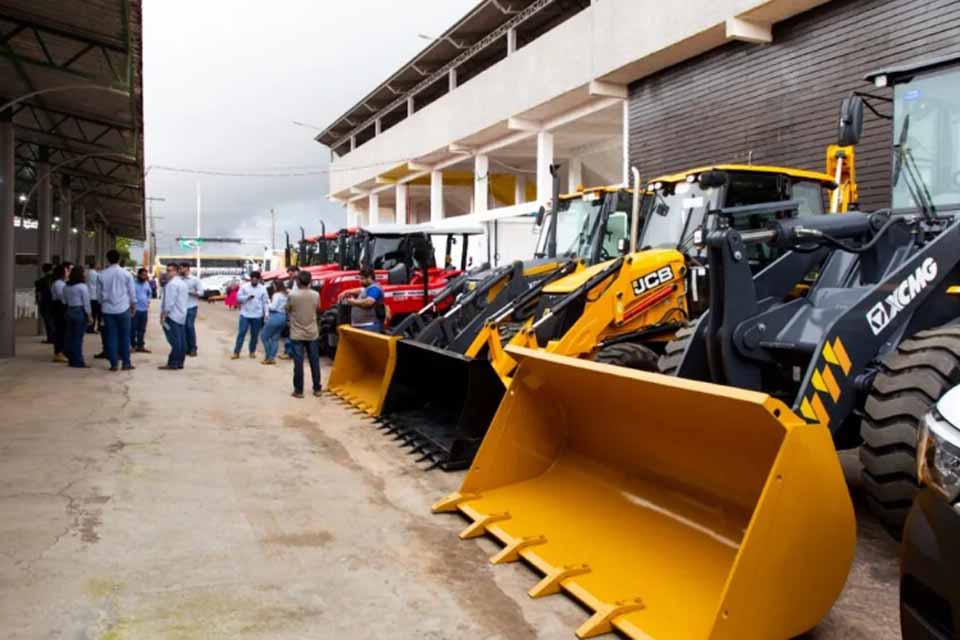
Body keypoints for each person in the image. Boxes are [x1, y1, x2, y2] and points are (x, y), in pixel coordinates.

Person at [97, 249, 137, 372]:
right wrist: (133, 306)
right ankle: (126, 363)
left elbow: (98, 296)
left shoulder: (101, 275)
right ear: (119, 259)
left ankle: (114, 364)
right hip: (123, 309)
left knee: (111, 337)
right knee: (125, 337)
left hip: (108, 310)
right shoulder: (126, 274)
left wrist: (102, 305)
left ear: (107, 259)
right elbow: (132, 292)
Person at [286, 270, 321, 398]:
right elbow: (318, 308)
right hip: (312, 333)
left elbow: (288, 309)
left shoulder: (293, 295)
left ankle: (298, 391)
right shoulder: (316, 295)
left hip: (297, 334)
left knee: (298, 363)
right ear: (310, 281)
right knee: (314, 362)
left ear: (297, 281)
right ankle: (317, 389)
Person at [232, 271, 269, 359]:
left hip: (257, 315)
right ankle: (236, 352)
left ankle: (252, 351)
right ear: (250, 279)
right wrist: (247, 297)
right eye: (253, 279)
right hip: (245, 314)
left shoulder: (263, 288)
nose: (254, 281)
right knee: (241, 333)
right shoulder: (244, 287)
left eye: (256, 280)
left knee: (255, 335)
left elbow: (265, 302)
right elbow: (238, 298)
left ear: (259, 280)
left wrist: (266, 313)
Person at [62, 265, 92, 368]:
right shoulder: (82, 287)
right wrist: (89, 316)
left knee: (69, 336)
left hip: (69, 311)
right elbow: (86, 303)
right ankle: (78, 361)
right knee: (78, 338)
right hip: (79, 311)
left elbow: (64, 301)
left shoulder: (66, 286)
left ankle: (71, 358)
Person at [159, 263, 188, 370]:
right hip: (181, 315)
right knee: (181, 340)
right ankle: (180, 362)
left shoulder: (172, 285)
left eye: (170, 270)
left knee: (175, 340)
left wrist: (163, 315)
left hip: (172, 316)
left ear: (176, 271)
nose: (167, 272)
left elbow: (169, 303)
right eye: (167, 270)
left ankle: (173, 362)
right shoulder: (182, 284)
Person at [339, 267, 385, 333]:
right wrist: (346, 292)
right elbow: (359, 290)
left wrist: (352, 302)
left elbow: (369, 302)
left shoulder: (374, 289)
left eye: (362, 278)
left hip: (369, 326)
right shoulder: (367, 288)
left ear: (369, 277)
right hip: (363, 326)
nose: (360, 281)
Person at [260, 279, 287, 365]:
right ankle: (272, 357)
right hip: (283, 316)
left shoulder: (276, 295)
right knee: (275, 338)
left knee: (264, 336)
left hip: (275, 316)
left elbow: (273, 307)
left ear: (276, 286)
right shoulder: (285, 295)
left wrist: (268, 302)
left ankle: (268, 357)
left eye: (273, 285)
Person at [180, 262, 202, 357]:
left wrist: (190, 292)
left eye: (181, 268)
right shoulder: (179, 280)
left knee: (189, 326)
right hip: (181, 307)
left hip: (191, 306)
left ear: (187, 268)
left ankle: (193, 348)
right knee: (183, 328)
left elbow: (201, 293)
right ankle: (186, 348)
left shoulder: (195, 280)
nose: (180, 270)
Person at [279, 265, 300, 360]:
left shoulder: (299, 282)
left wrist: (288, 291)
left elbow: (297, 294)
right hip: (295, 309)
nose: (290, 276)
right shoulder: (296, 281)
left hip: (295, 310)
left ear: (296, 271)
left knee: (292, 331)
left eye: (291, 273)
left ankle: (289, 352)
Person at [49, 263, 69, 363]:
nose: (68, 273)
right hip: (59, 308)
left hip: (60, 308)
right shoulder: (59, 284)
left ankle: (61, 351)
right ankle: (58, 353)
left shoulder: (61, 283)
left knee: (62, 331)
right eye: (66, 271)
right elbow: (63, 298)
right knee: (60, 331)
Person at [132, 267, 152, 353]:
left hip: (144, 310)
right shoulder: (132, 283)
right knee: (132, 329)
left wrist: (148, 301)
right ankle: (132, 346)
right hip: (134, 310)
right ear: (139, 275)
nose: (144, 276)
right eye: (143, 275)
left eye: (145, 275)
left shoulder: (146, 283)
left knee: (142, 329)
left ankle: (140, 346)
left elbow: (149, 293)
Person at [34, 263, 55, 344]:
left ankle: (50, 338)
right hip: (55, 303)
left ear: (43, 270)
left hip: (45, 303)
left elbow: (38, 294)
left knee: (48, 321)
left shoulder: (40, 281)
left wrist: (37, 302)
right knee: (54, 321)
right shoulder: (56, 279)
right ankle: (54, 337)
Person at [86, 260, 101, 334]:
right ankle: (92, 328)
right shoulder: (96, 274)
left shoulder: (87, 273)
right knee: (95, 313)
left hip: (88, 295)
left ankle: (89, 327)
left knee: (91, 312)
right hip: (95, 296)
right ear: (95, 266)